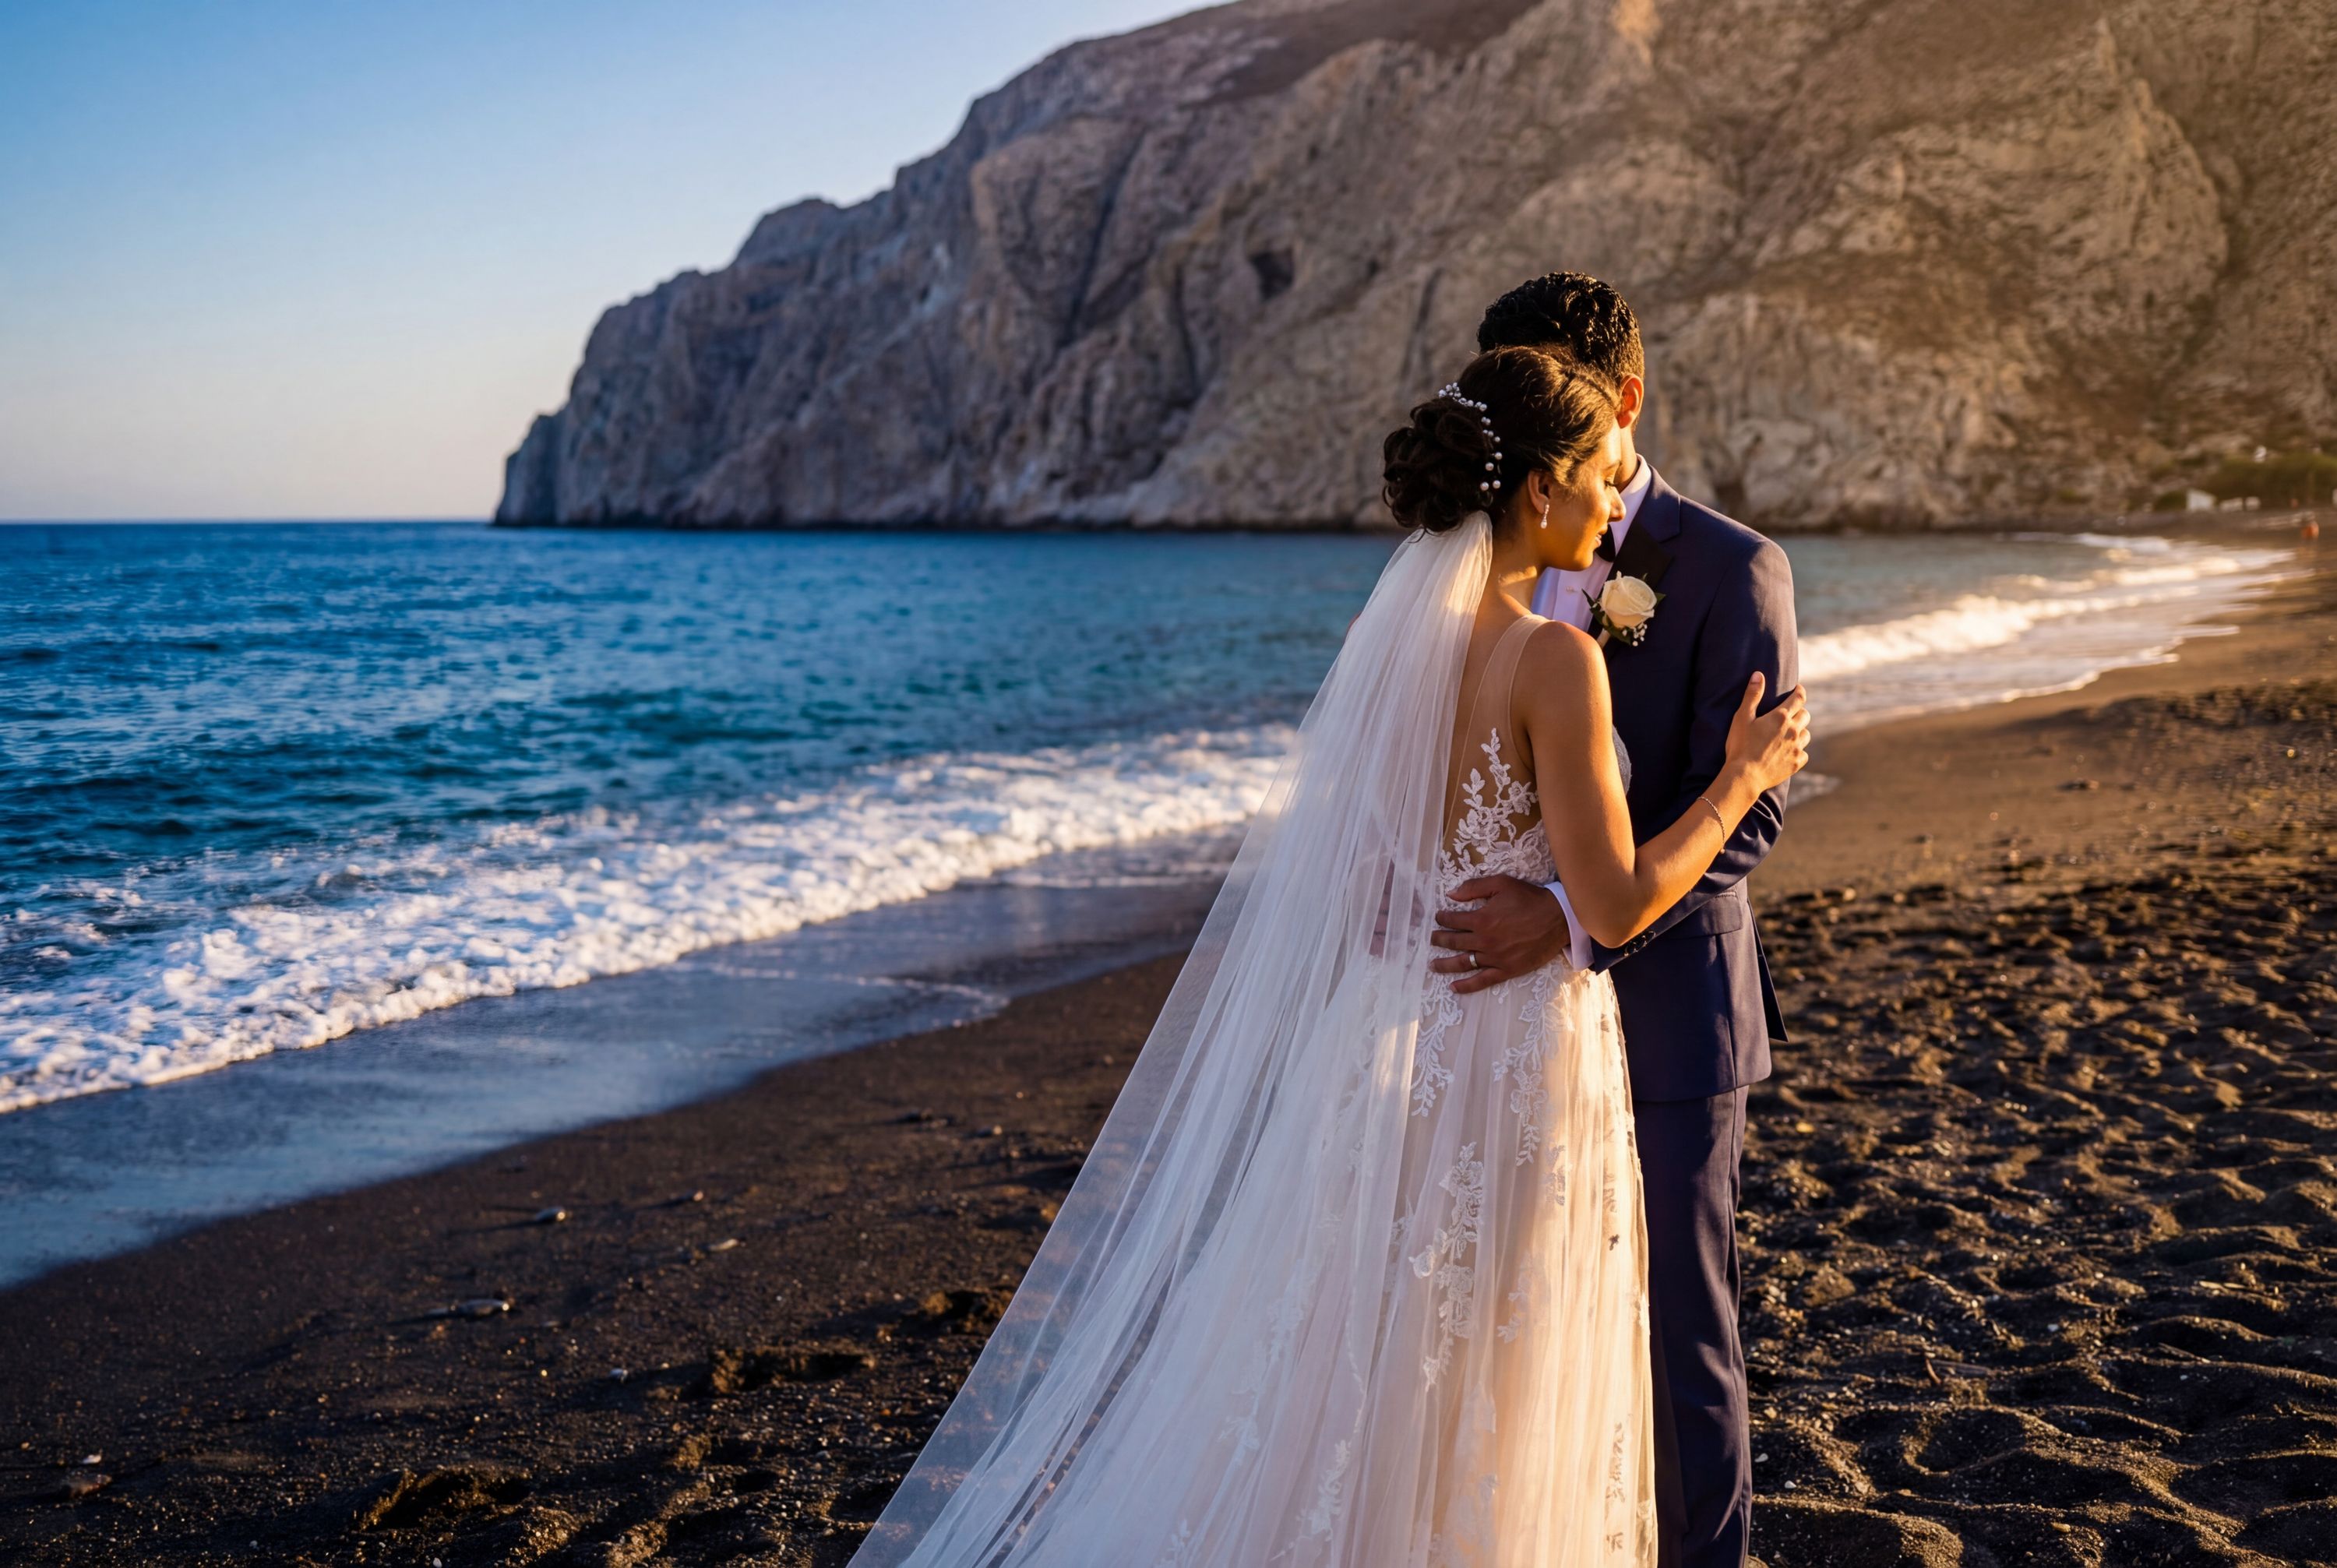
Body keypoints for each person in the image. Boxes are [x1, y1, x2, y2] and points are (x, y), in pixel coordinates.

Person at [849, 344, 1808, 1568]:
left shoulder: (1398, 655)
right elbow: (1615, 905)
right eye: (1591, 479)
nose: (1607, 503)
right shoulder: (1553, 659)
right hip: (1511, 1050)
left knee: (1388, 1354)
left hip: (1395, 1041)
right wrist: (1742, 779)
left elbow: (1368, 883)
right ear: (1536, 492)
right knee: (1495, 1361)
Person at [1429, 274, 1800, 1568]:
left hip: (1669, 1015)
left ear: (1621, 401)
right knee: (1511, 1327)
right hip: (1504, 1029)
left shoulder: (1736, 567)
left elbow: (1747, 819)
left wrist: (1573, 923)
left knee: (1679, 1334)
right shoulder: (1481, 596)